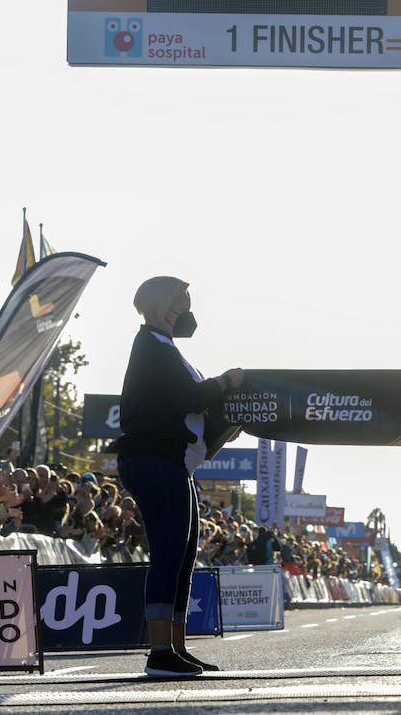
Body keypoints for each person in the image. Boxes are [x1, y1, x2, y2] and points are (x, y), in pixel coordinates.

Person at [112, 276, 243, 678]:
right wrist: (225, 382)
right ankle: (159, 652)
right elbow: (190, 397)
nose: (183, 310)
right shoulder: (151, 345)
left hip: (174, 461)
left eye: (186, 303)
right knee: (169, 552)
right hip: (152, 458)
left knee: (185, 556)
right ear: (153, 305)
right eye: (176, 302)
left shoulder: (167, 347)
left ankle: (177, 647)